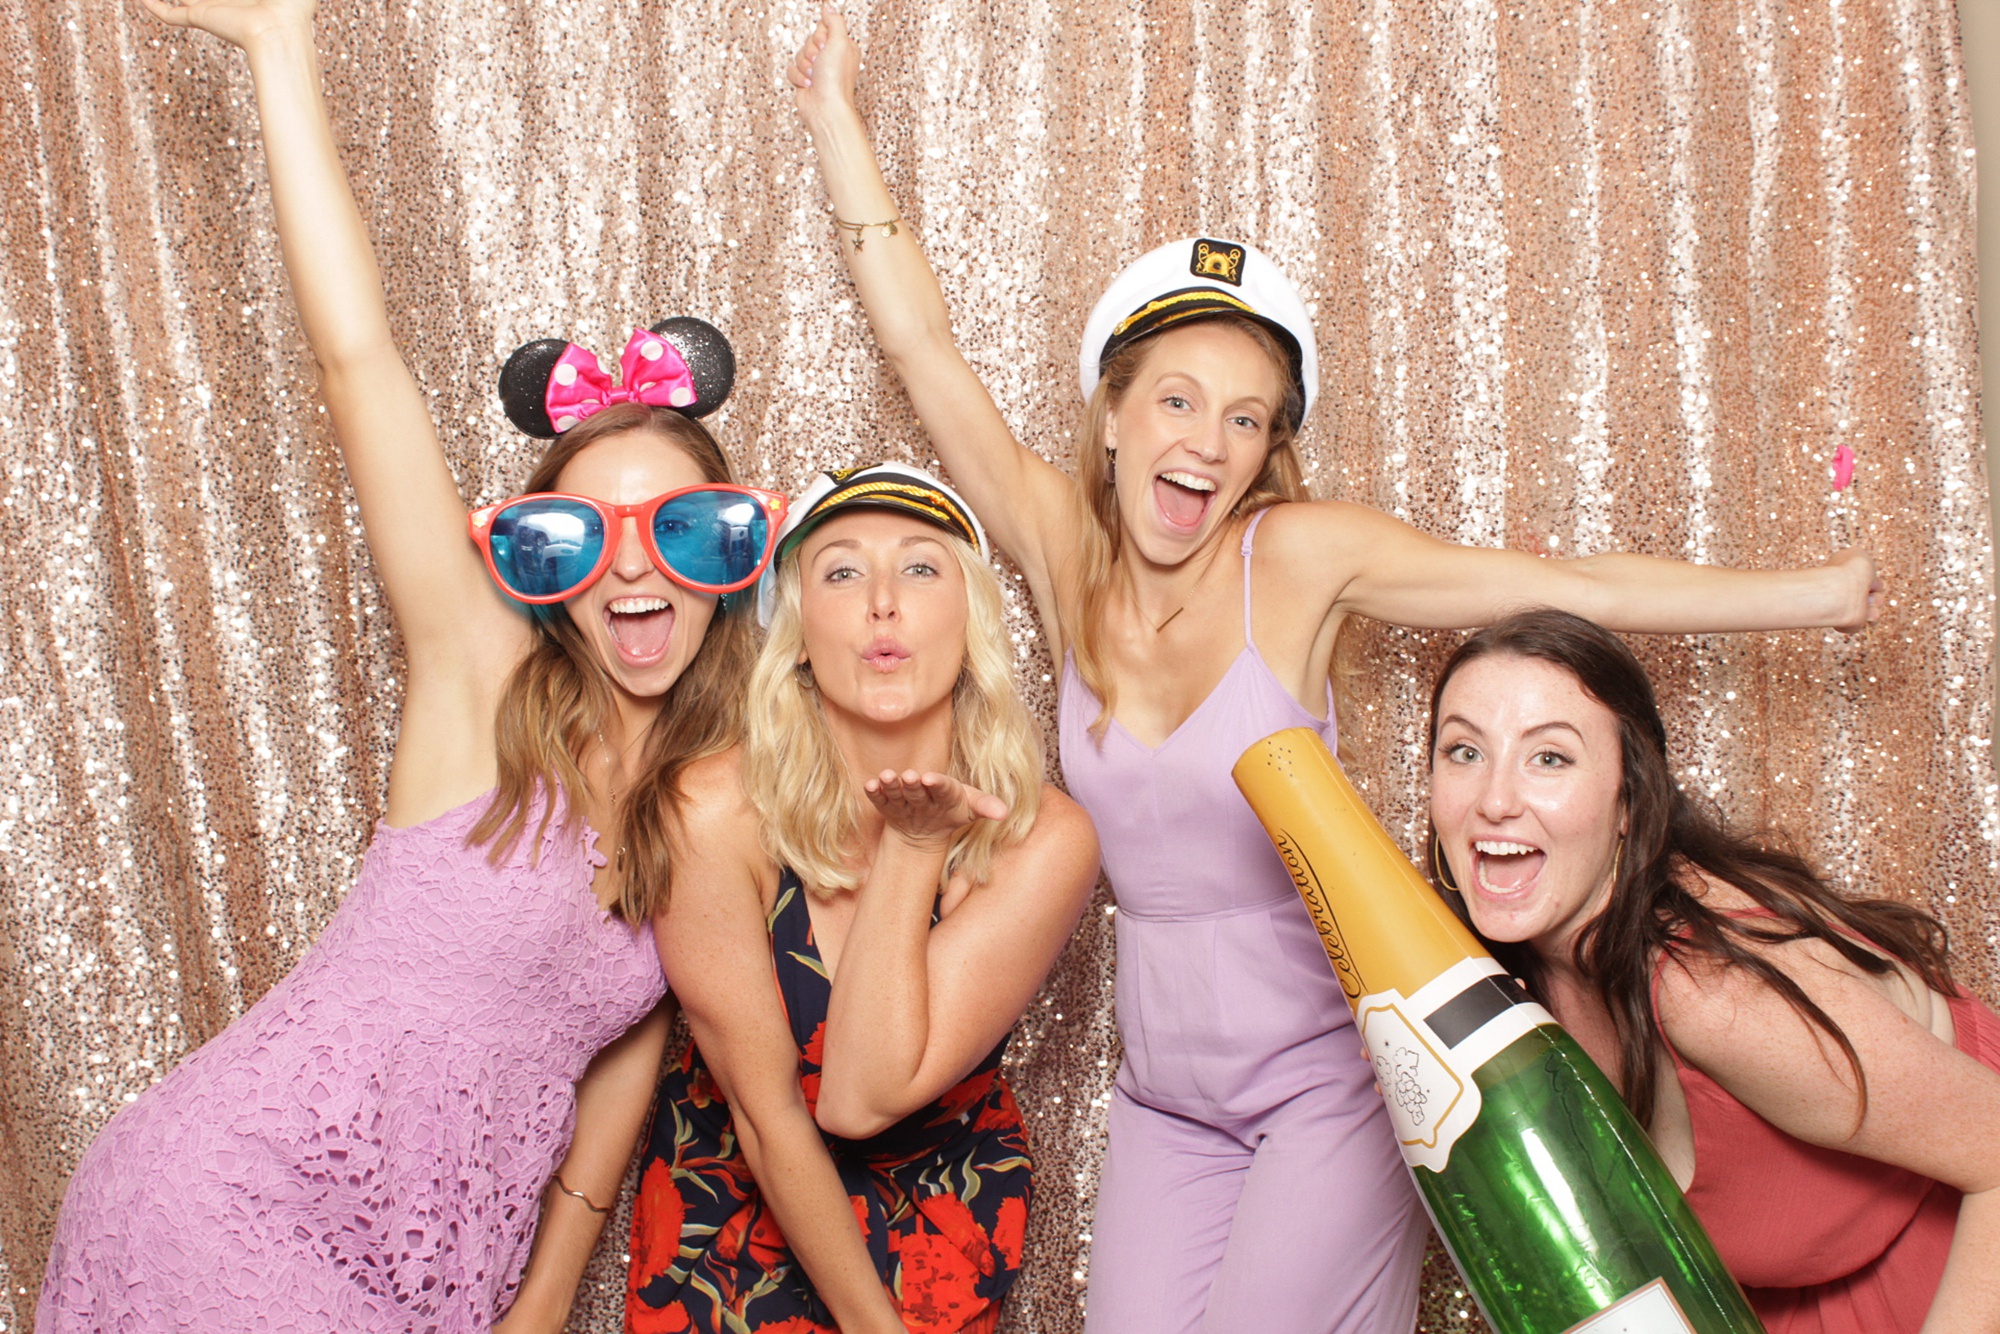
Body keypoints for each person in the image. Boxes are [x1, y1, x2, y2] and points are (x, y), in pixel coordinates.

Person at [786, 11, 1887, 1330]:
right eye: (1180, 399)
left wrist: (1810, 598)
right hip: (1164, 1095)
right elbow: (926, 352)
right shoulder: (1064, 554)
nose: (1209, 440)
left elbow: (1564, 589)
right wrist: (837, 126)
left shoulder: (1293, 560)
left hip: (1331, 1074)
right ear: (1116, 412)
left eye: (1248, 418)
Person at [38, 2, 786, 1330]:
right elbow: (358, 360)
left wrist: (545, 1302)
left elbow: (619, 1064)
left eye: (676, 528)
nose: (634, 569)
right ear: (537, 564)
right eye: (581, 534)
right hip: (235, 1199)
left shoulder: (714, 789)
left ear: (727, 553)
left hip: (441, 1265)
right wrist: (279, 49)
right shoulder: (481, 682)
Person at [621, 464, 1099, 1334]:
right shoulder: (712, 813)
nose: (883, 601)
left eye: (921, 568)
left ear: (972, 621)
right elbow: (773, 1118)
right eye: (841, 571)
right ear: (797, 633)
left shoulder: (1044, 838)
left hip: (938, 1222)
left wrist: (913, 848)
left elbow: (859, 1095)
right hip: (735, 1227)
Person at [1426, 610, 2000, 1333]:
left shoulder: (1716, 993)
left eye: (1550, 758)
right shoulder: (1490, 980)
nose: (1495, 801)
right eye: (1463, 751)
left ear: (1629, 800)